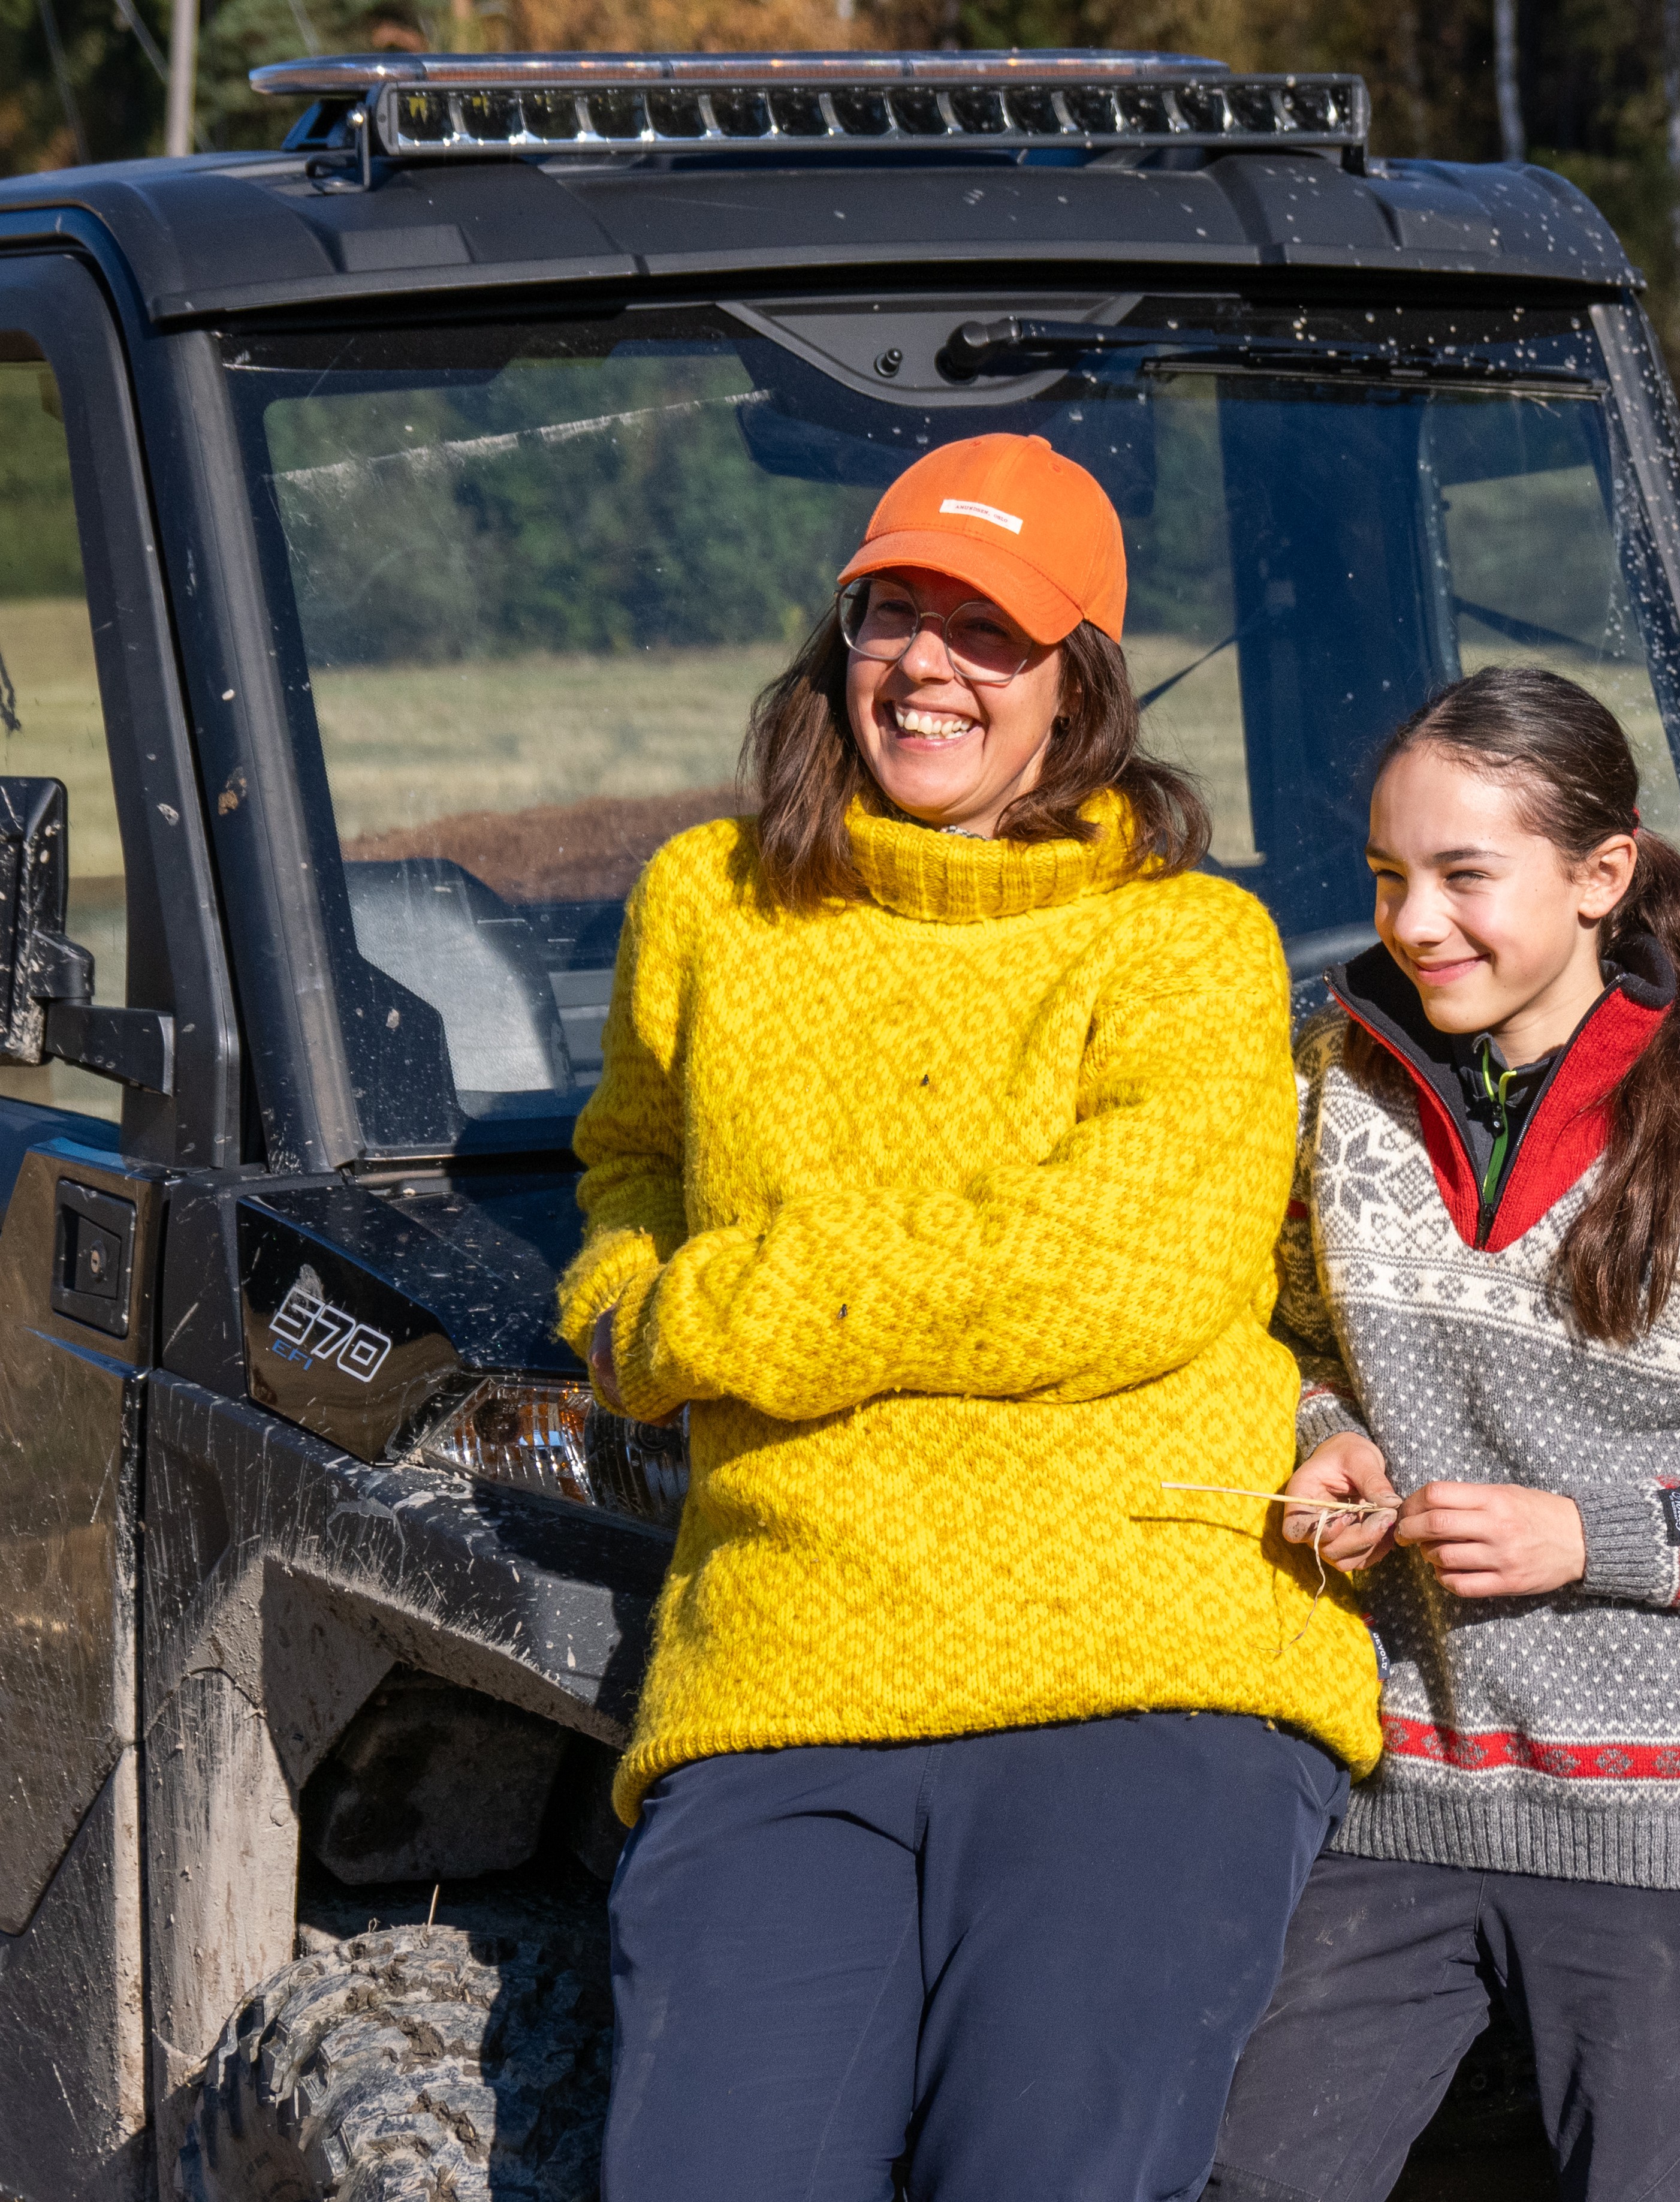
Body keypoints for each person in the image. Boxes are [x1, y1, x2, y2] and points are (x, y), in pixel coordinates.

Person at [557, 432, 1382, 2202]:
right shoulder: (708, 903)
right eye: (893, 613)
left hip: (1148, 1649)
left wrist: (705, 1317)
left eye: (989, 630)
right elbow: (629, 1163)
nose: (929, 664)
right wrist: (624, 1290)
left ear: (1080, 679)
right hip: (789, 1646)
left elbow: (1127, 1273)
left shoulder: (1188, 945)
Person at [1202, 665, 1680, 2202]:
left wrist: (1585, 1532)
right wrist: (1325, 1434)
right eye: (1390, 879)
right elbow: (1274, 1337)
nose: (1413, 924)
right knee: (1244, 2175)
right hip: (1394, 1788)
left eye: (1467, 877)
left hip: (1662, 1812)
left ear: (1603, 878)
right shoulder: (1321, 1098)